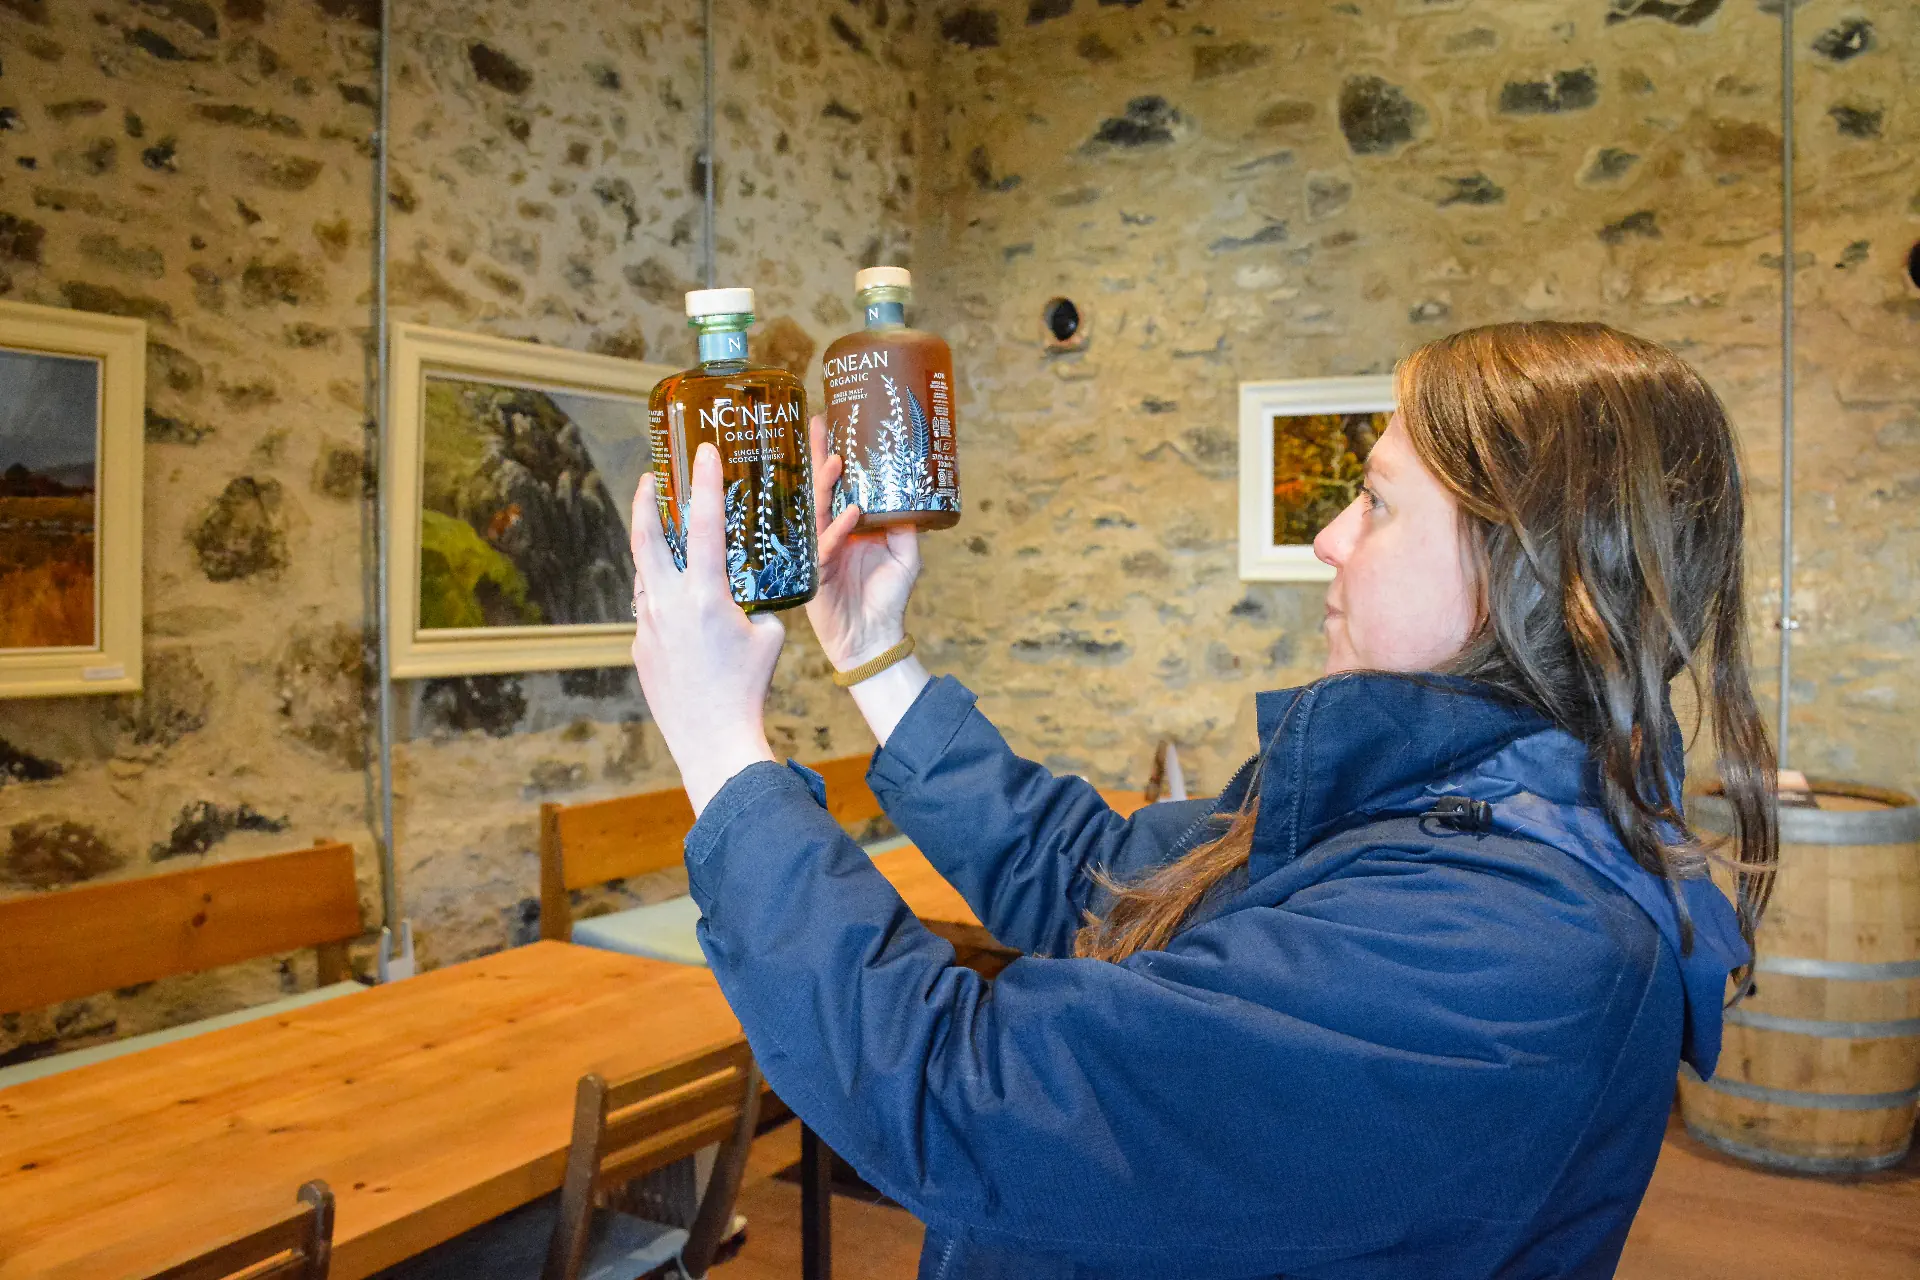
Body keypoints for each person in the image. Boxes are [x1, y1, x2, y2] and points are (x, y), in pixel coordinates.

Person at [625, 321, 1778, 1279]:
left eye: (1376, 504)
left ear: (1536, 570)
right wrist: (874, 653)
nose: (1328, 538)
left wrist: (722, 746)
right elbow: (1102, 874)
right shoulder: (1430, 798)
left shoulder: (1504, 949)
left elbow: (974, 1095)